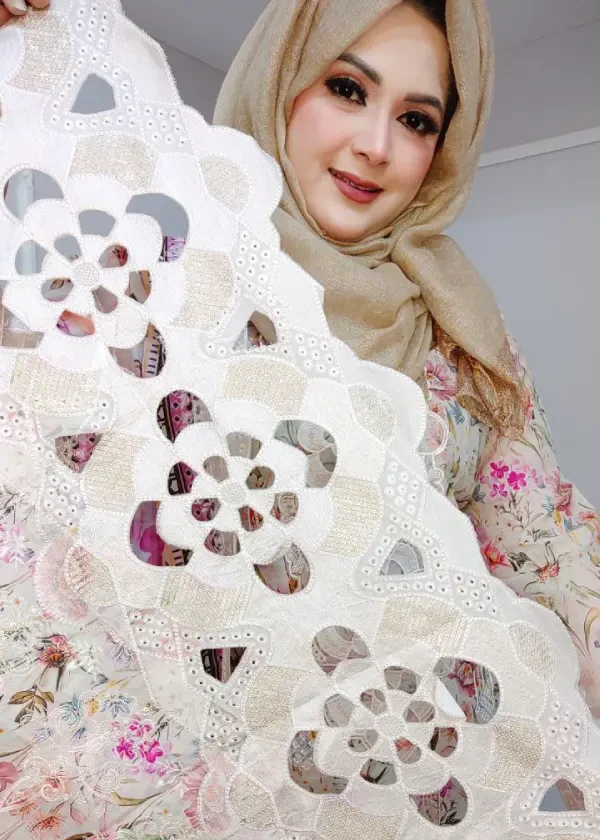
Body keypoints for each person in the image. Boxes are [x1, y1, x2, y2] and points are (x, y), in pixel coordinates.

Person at [4, 0, 600, 728]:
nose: (376, 145)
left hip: (369, 750)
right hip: (141, 741)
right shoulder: (155, 273)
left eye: (416, 120)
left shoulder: (461, 335)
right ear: (281, 81)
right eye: (347, 89)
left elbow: (546, 545)